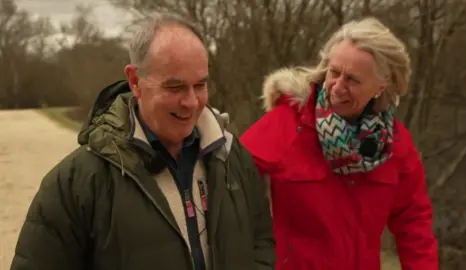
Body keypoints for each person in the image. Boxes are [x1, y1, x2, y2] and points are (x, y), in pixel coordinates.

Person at [10, 14, 275, 270]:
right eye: (175, 88)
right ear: (135, 81)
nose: (191, 102)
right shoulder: (77, 182)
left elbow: (261, 241)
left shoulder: (232, 157)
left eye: (201, 85)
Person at [240, 17, 438, 270]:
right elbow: (229, 184)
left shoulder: (395, 145)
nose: (337, 88)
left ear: (380, 86)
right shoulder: (288, 124)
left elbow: (415, 226)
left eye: (353, 80)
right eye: (334, 73)